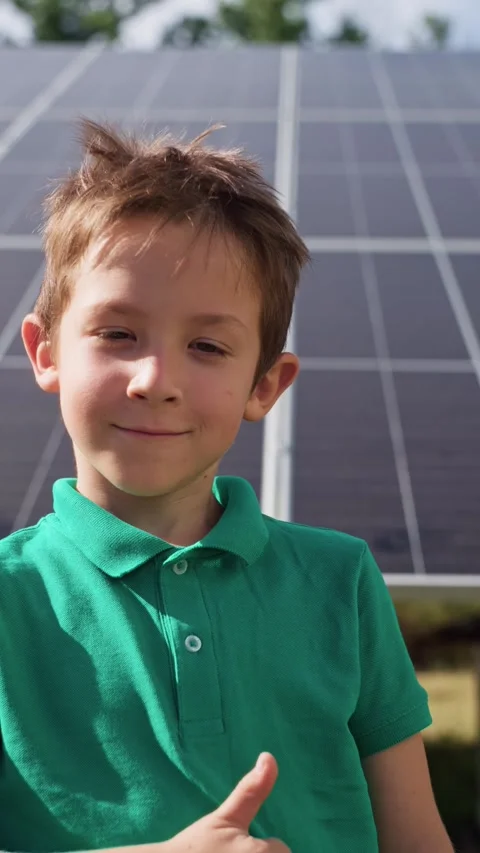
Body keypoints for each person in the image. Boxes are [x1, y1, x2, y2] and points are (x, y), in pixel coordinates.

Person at [0, 119, 453, 853]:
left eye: (207, 346)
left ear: (265, 384)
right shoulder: (10, 598)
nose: (157, 381)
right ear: (44, 352)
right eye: (118, 333)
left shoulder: (340, 579)